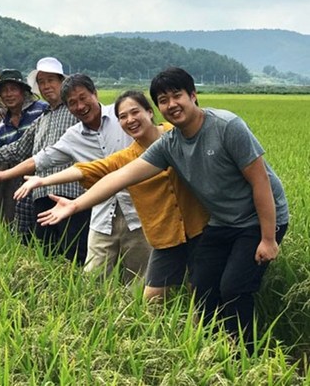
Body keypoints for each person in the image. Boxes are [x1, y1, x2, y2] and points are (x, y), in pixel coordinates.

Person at [37, 68, 289, 351]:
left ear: (193, 96)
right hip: (222, 221)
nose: (171, 105)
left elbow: (261, 182)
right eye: (163, 100)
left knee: (233, 287)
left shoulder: (227, 126)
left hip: (260, 218)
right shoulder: (169, 144)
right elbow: (120, 176)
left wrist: (268, 238)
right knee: (204, 284)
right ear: (158, 107)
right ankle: (207, 347)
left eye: (177, 96)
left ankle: (246, 352)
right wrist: (76, 204)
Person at [15, 90, 208, 297]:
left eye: (135, 112)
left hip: (200, 227)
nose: (130, 120)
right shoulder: (127, 156)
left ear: (150, 112)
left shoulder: (177, 134)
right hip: (166, 235)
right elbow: (90, 169)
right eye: (123, 117)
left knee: (200, 290)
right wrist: (44, 180)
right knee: (152, 297)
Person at [0, 76, 153, 285]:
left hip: (138, 212)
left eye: (83, 98)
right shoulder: (73, 136)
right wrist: (4, 174)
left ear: (95, 94)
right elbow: (41, 159)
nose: (80, 106)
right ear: (68, 107)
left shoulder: (122, 119)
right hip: (102, 215)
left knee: (138, 280)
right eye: (72, 103)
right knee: (91, 281)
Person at [0, 58, 91, 265]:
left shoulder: (75, 110)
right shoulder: (43, 118)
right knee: (47, 255)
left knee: (75, 255)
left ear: (63, 81)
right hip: (40, 194)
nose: (46, 86)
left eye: (51, 80)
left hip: (71, 193)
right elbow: (17, 148)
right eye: (42, 82)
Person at [0, 69, 47, 234]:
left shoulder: (42, 111)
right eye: (4, 91)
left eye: (12, 89)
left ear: (23, 92)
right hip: (16, 181)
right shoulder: (3, 127)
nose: (8, 94)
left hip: (43, 175)